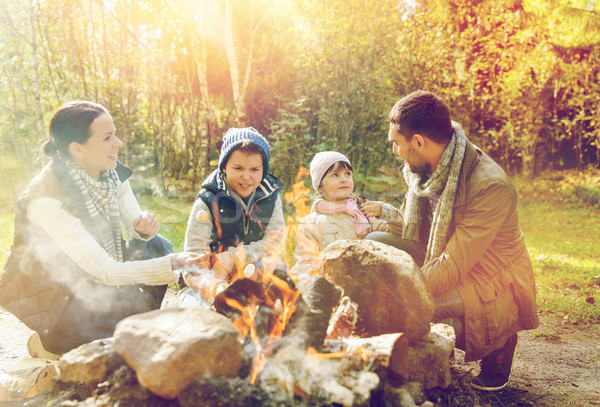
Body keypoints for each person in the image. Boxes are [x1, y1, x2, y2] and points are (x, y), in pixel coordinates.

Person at [0, 101, 207, 357]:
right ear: (76, 149)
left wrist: (143, 229)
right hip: (58, 299)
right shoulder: (46, 201)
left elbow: (136, 229)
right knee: (132, 304)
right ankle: (51, 344)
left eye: (115, 134)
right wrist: (175, 265)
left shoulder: (109, 172)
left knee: (158, 246)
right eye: (108, 138)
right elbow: (105, 270)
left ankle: (132, 328)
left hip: (91, 275)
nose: (118, 143)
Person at [366, 90, 539, 391]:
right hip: (445, 255)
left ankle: (499, 341)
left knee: (407, 306)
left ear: (418, 142)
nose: (395, 151)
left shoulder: (489, 186)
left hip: (489, 279)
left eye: (396, 143)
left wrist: (398, 291)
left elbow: (452, 265)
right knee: (374, 244)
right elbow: (411, 228)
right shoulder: (426, 171)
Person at [182, 127, 286, 306]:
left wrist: (231, 259)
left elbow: (276, 243)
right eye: (238, 168)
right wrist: (214, 286)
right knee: (194, 310)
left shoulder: (271, 196)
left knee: (277, 269)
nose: (246, 177)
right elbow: (193, 263)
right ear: (224, 166)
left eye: (255, 169)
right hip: (211, 280)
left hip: (251, 273)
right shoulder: (207, 201)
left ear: (264, 170)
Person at [289, 151, 391, 286]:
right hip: (332, 287)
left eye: (348, 173)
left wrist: (386, 212)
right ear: (320, 186)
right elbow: (304, 264)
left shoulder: (364, 212)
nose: (344, 179)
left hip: (369, 284)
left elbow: (399, 234)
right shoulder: (310, 223)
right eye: (335, 175)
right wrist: (331, 274)